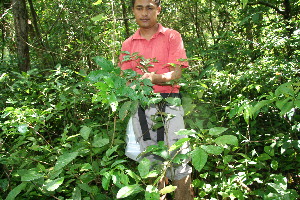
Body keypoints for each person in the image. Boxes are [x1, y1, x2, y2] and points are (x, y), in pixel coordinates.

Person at [119, 0, 193, 199]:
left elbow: (176, 73)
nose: (144, 13)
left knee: (179, 159)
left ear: (158, 10)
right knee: (151, 161)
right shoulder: (128, 44)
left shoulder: (171, 36)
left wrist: (153, 78)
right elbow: (126, 80)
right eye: (139, 8)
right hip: (141, 106)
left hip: (169, 102)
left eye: (150, 8)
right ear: (133, 11)